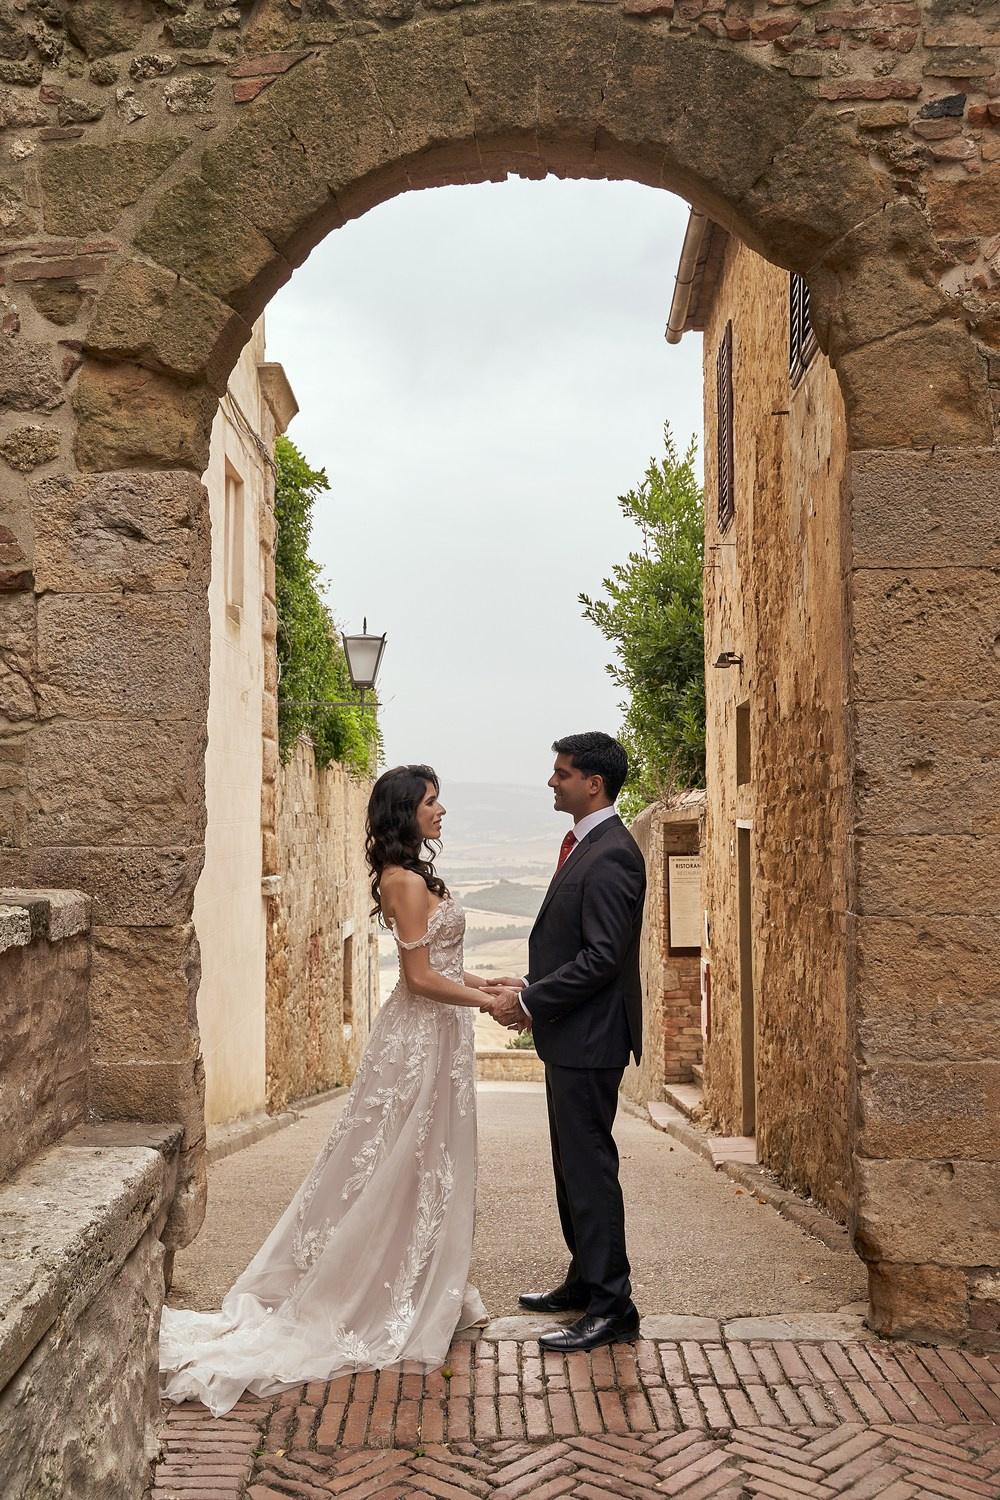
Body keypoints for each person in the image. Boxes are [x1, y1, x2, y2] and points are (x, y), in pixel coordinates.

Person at [159, 765, 489, 1416]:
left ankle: (420, 1285)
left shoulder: (413, 877)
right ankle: (378, 1294)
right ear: (405, 812)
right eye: (431, 801)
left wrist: (493, 983)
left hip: (439, 1037)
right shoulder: (402, 881)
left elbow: (443, 965)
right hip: (419, 1043)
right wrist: (488, 1003)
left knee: (428, 1164)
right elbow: (420, 980)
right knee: (398, 1162)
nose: (441, 810)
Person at [482, 732, 646, 1353]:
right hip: (571, 1037)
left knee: (590, 1170)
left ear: (593, 784)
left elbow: (602, 958)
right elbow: (577, 948)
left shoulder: (613, 854)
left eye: (562, 773)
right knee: (570, 1168)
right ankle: (585, 1279)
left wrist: (529, 1003)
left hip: (591, 1041)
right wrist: (530, 985)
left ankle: (613, 1306)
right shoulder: (588, 845)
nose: (552, 782)